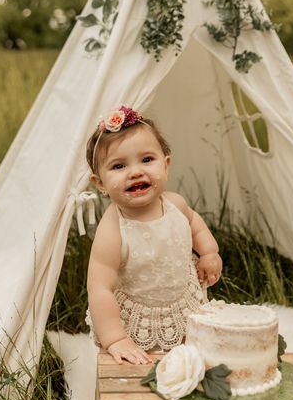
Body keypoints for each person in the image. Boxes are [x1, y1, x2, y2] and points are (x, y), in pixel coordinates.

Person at [86, 105, 222, 365]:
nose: (135, 171)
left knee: (190, 349)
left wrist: (208, 252)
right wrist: (115, 338)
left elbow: (195, 224)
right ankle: (128, 347)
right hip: (138, 315)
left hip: (180, 299)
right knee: (143, 361)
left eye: (147, 160)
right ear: (100, 183)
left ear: (166, 165)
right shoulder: (113, 230)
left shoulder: (175, 204)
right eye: (119, 166)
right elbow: (100, 288)